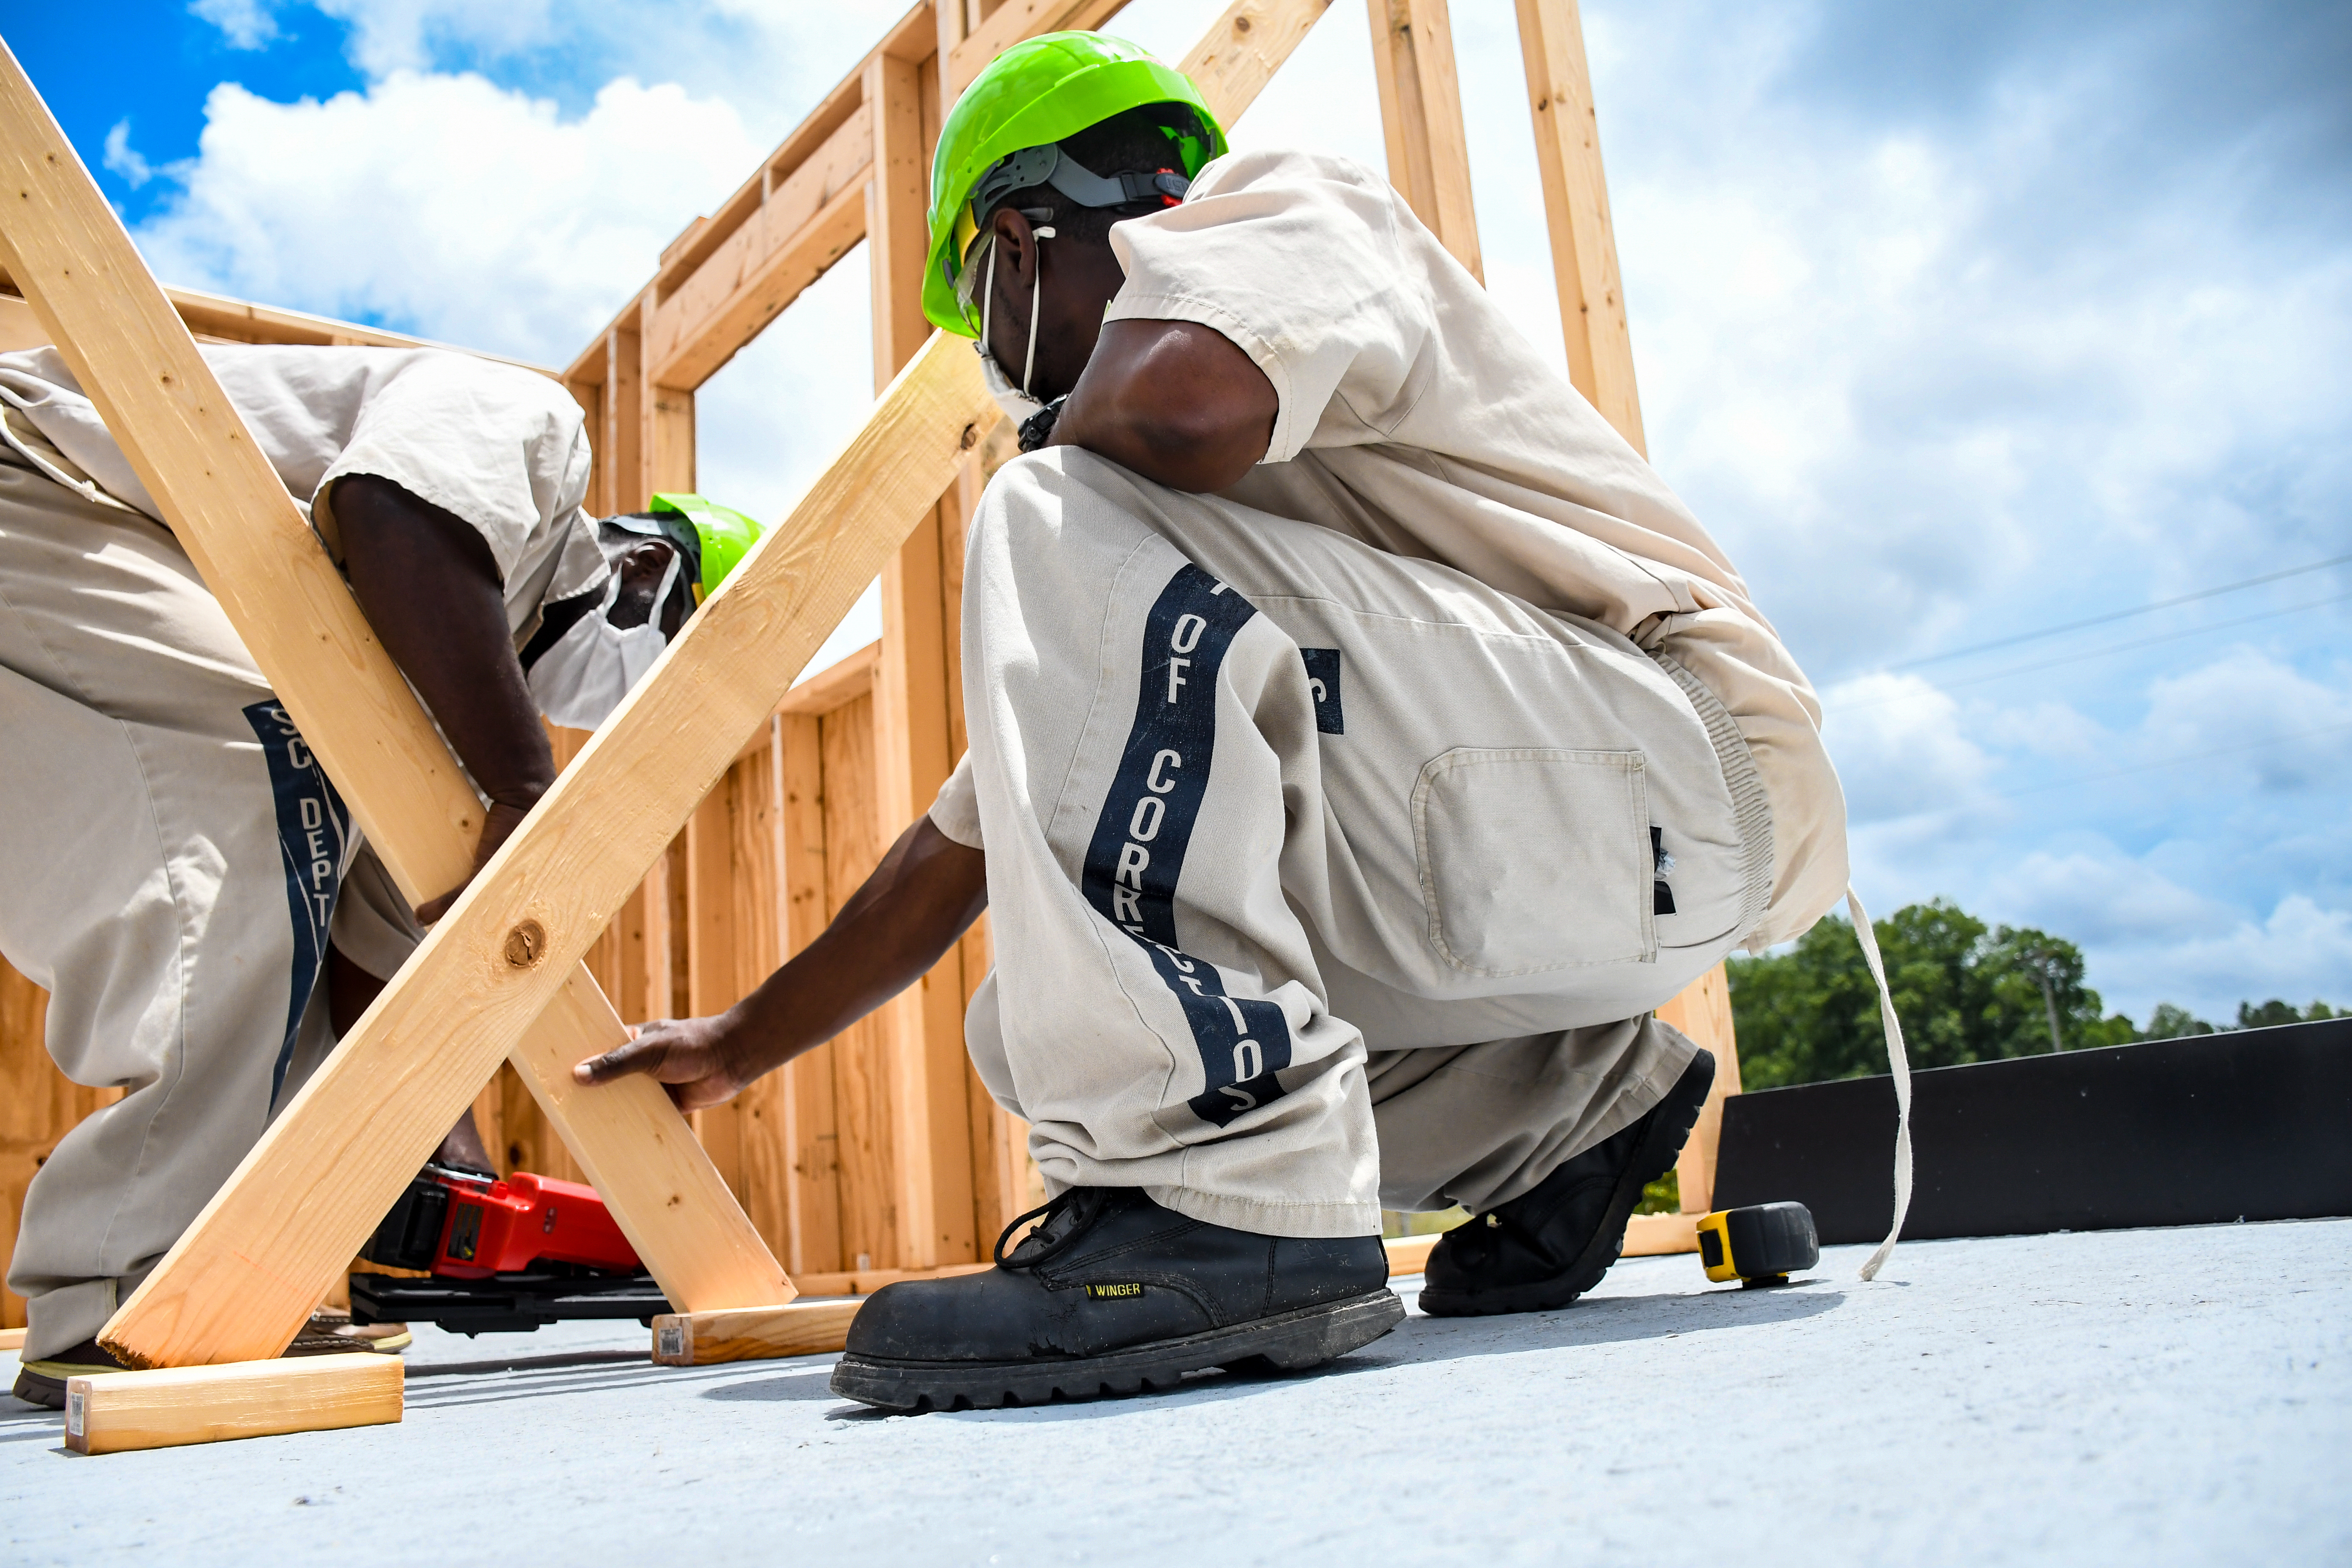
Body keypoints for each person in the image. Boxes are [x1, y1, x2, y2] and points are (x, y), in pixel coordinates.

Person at [579, 32, 1849, 1413]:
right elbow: (955, 850)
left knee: (1047, 512)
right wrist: (738, 1042)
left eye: (984, 317)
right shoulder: (1182, 584)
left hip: (1684, 751)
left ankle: (1227, 1209)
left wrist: (1049, 457)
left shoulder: (1278, 211)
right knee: (1032, 1020)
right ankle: (1566, 1114)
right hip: (1575, 840)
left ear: (1015, 242)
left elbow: (1177, 399)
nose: (1000, 376)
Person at [0, 339, 761, 1407]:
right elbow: (394, 506)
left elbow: (372, 959)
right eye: (674, 653)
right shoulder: (536, 438)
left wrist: (445, 1182)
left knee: (303, 829)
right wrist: (526, 788)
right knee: (270, 756)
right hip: (28, 481)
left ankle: (204, 1279)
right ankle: (133, 1297)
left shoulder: (426, 661)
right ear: (644, 571)